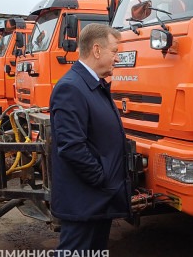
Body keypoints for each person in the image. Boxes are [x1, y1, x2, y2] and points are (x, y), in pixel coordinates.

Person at [50, 23, 131, 253]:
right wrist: (102, 178)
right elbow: (71, 146)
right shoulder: (72, 88)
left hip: (97, 200)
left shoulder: (92, 85)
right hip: (84, 201)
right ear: (97, 50)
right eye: (114, 51)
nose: (117, 58)